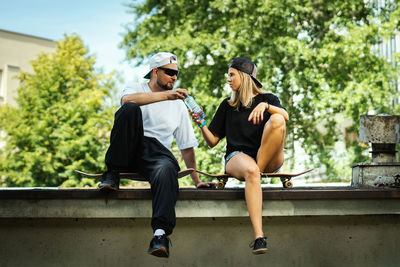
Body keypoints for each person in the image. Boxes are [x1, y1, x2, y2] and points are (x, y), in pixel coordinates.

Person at [100, 52, 215, 258]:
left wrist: (196, 180)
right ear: (155, 71)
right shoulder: (136, 88)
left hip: (156, 157)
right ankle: (112, 173)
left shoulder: (179, 105)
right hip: (129, 150)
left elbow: (186, 146)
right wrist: (167, 96)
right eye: (170, 72)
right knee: (129, 109)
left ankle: (160, 235)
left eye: (176, 74)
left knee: (167, 168)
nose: (174, 78)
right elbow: (126, 100)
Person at [190, 57, 289, 254]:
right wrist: (201, 123)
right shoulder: (227, 106)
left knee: (277, 118)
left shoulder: (268, 98)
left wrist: (267, 107)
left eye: (231, 74)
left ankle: (255, 173)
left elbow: (284, 117)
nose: (228, 79)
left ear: (244, 77)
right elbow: (212, 141)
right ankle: (259, 237)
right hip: (238, 157)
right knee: (251, 170)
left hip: (267, 158)